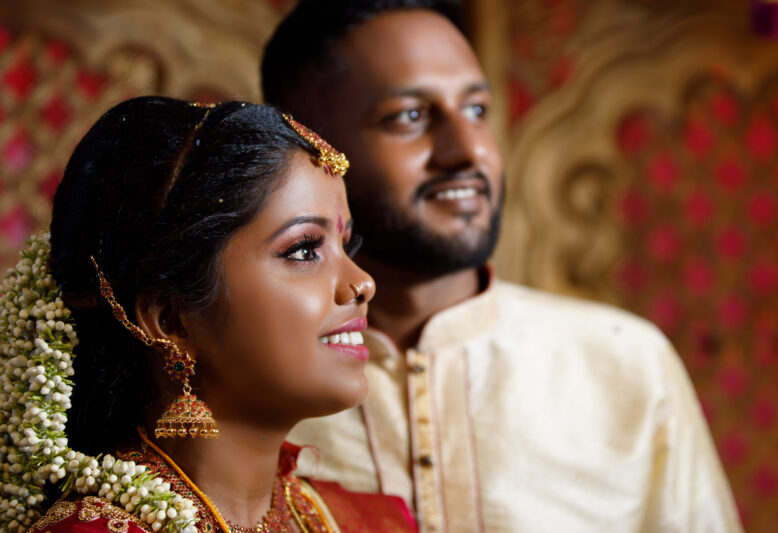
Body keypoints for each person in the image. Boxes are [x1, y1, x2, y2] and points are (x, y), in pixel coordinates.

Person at [260, 1, 744, 532]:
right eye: (409, 117)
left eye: (476, 110)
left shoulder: (624, 364)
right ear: (308, 147)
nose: (468, 151)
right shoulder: (243, 382)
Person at [0, 97, 419, 532]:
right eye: (304, 250)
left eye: (346, 246)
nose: (362, 283)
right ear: (170, 320)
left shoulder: (374, 522)